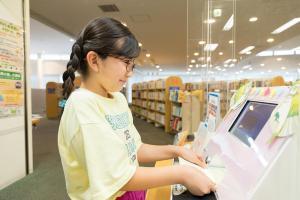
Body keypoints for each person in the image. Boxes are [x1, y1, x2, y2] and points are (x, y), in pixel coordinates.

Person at [58, 17, 215, 200]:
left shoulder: (117, 99)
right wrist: (184, 174)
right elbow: (117, 178)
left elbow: (134, 149)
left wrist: (177, 151)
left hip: (132, 188)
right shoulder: (82, 106)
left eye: (132, 64)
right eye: (126, 62)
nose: (130, 72)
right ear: (94, 61)